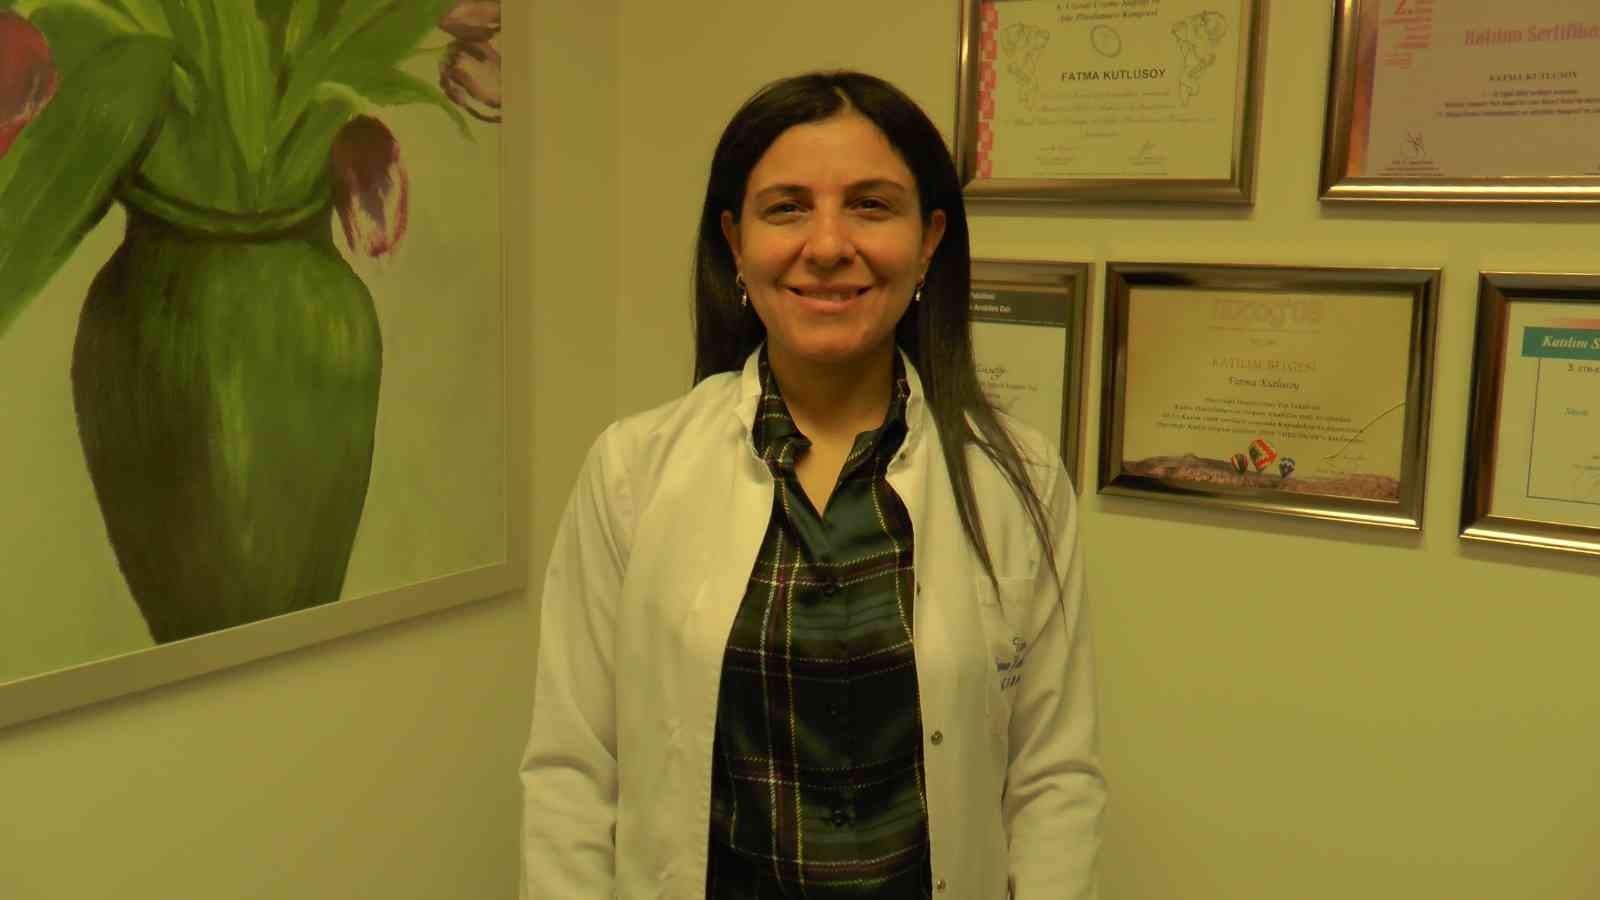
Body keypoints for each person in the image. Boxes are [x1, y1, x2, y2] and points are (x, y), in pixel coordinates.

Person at [521, 70, 1104, 899]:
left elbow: (1054, 778)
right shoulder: (631, 470)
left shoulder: (1020, 479)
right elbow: (574, 774)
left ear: (929, 240)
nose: (828, 245)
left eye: (870, 204)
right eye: (787, 208)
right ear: (735, 243)